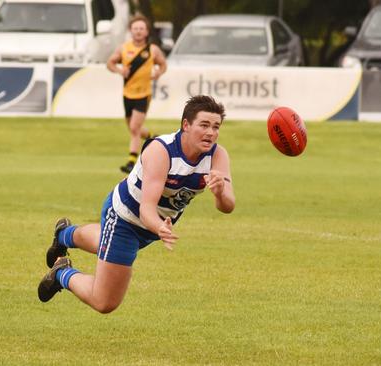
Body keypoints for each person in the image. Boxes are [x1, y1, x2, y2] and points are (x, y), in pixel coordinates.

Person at [37, 95, 235, 314]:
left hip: (152, 227)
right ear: (186, 125)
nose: (211, 132)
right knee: (104, 302)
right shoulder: (161, 151)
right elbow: (146, 208)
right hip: (126, 217)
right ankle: (61, 273)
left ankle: (64, 234)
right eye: (204, 125)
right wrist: (160, 227)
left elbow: (228, 206)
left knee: (104, 243)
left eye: (216, 127)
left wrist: (219, 193)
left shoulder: (218, 155)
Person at [107, 14, 167, 174]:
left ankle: (131, 161)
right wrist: (120, 70)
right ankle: (153, 138)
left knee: (134, 127)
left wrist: (158, 73)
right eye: (135, 28)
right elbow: (110, 63)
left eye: (141, 29)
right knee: (134, 129)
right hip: (127, 94)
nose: (138, 31)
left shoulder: (152, 50)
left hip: (143, 94)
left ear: (146, 32)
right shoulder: (123, 48)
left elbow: (163, 64)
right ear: (130, 31)